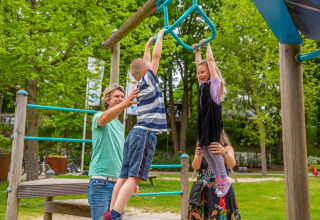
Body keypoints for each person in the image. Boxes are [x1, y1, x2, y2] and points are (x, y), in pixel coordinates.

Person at [100, 29, 167, 220]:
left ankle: (110, 211)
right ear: (147, 72)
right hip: (145, 133)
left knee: (123, 177)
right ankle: (114, 214)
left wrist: (147, 45)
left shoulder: (138, 85)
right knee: (135, 177)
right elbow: (155, 57)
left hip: (134, 134)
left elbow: (147, 61)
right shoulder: (149, 80)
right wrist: (161, 36)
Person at [87, 84, 139, 220]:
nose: (121, 99)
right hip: (100, 182)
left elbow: (121, 157)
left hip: (119, 184)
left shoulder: (120, 126)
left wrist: (130, 181)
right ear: (107, 100)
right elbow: (104, 119)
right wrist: (126, 104)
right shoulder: (98, 116)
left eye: (123, 97)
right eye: (117, 96)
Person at [192, 40, 232, 197]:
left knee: (213, 148)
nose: (200, 74)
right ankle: (220, 179)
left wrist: (207, 45)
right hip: (203, 122)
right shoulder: (202, 85)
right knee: (204, 149)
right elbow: (199, 64)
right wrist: (197, 52)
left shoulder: (214, 83)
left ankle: (224, 177)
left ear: (211, 71)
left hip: (213, 122)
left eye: (203, 72)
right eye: (198, 73)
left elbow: (210, 61)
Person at [188, 130, 241, 220]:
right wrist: (198, 155)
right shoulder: (203, 147)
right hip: (202, 188)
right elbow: (195, 166)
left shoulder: (227, 147)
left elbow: (231, 164)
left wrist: (224, 153)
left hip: (221, 188)